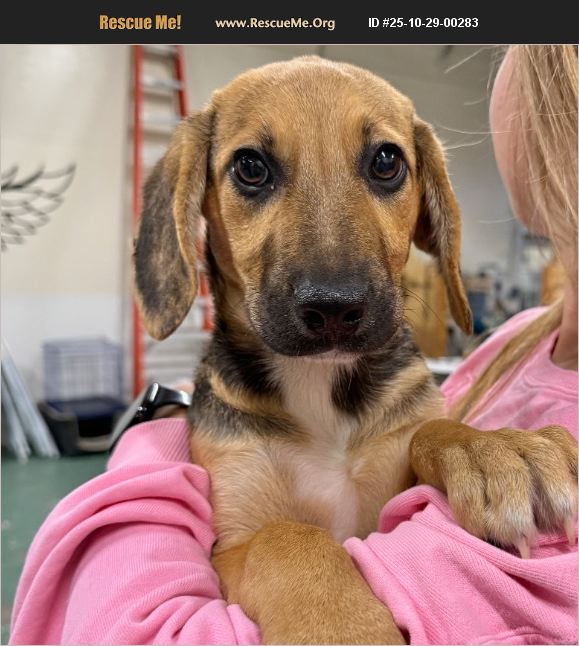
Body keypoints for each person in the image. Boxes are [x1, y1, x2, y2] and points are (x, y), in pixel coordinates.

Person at [10, 45, 577, 645]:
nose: (333, 284)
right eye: (253, 171)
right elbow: (230, 555)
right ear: (196, 203)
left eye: (384, 166)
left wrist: (444, 442)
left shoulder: (426, 405)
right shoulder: (510, 352)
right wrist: (284, 554)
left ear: (427, 210)